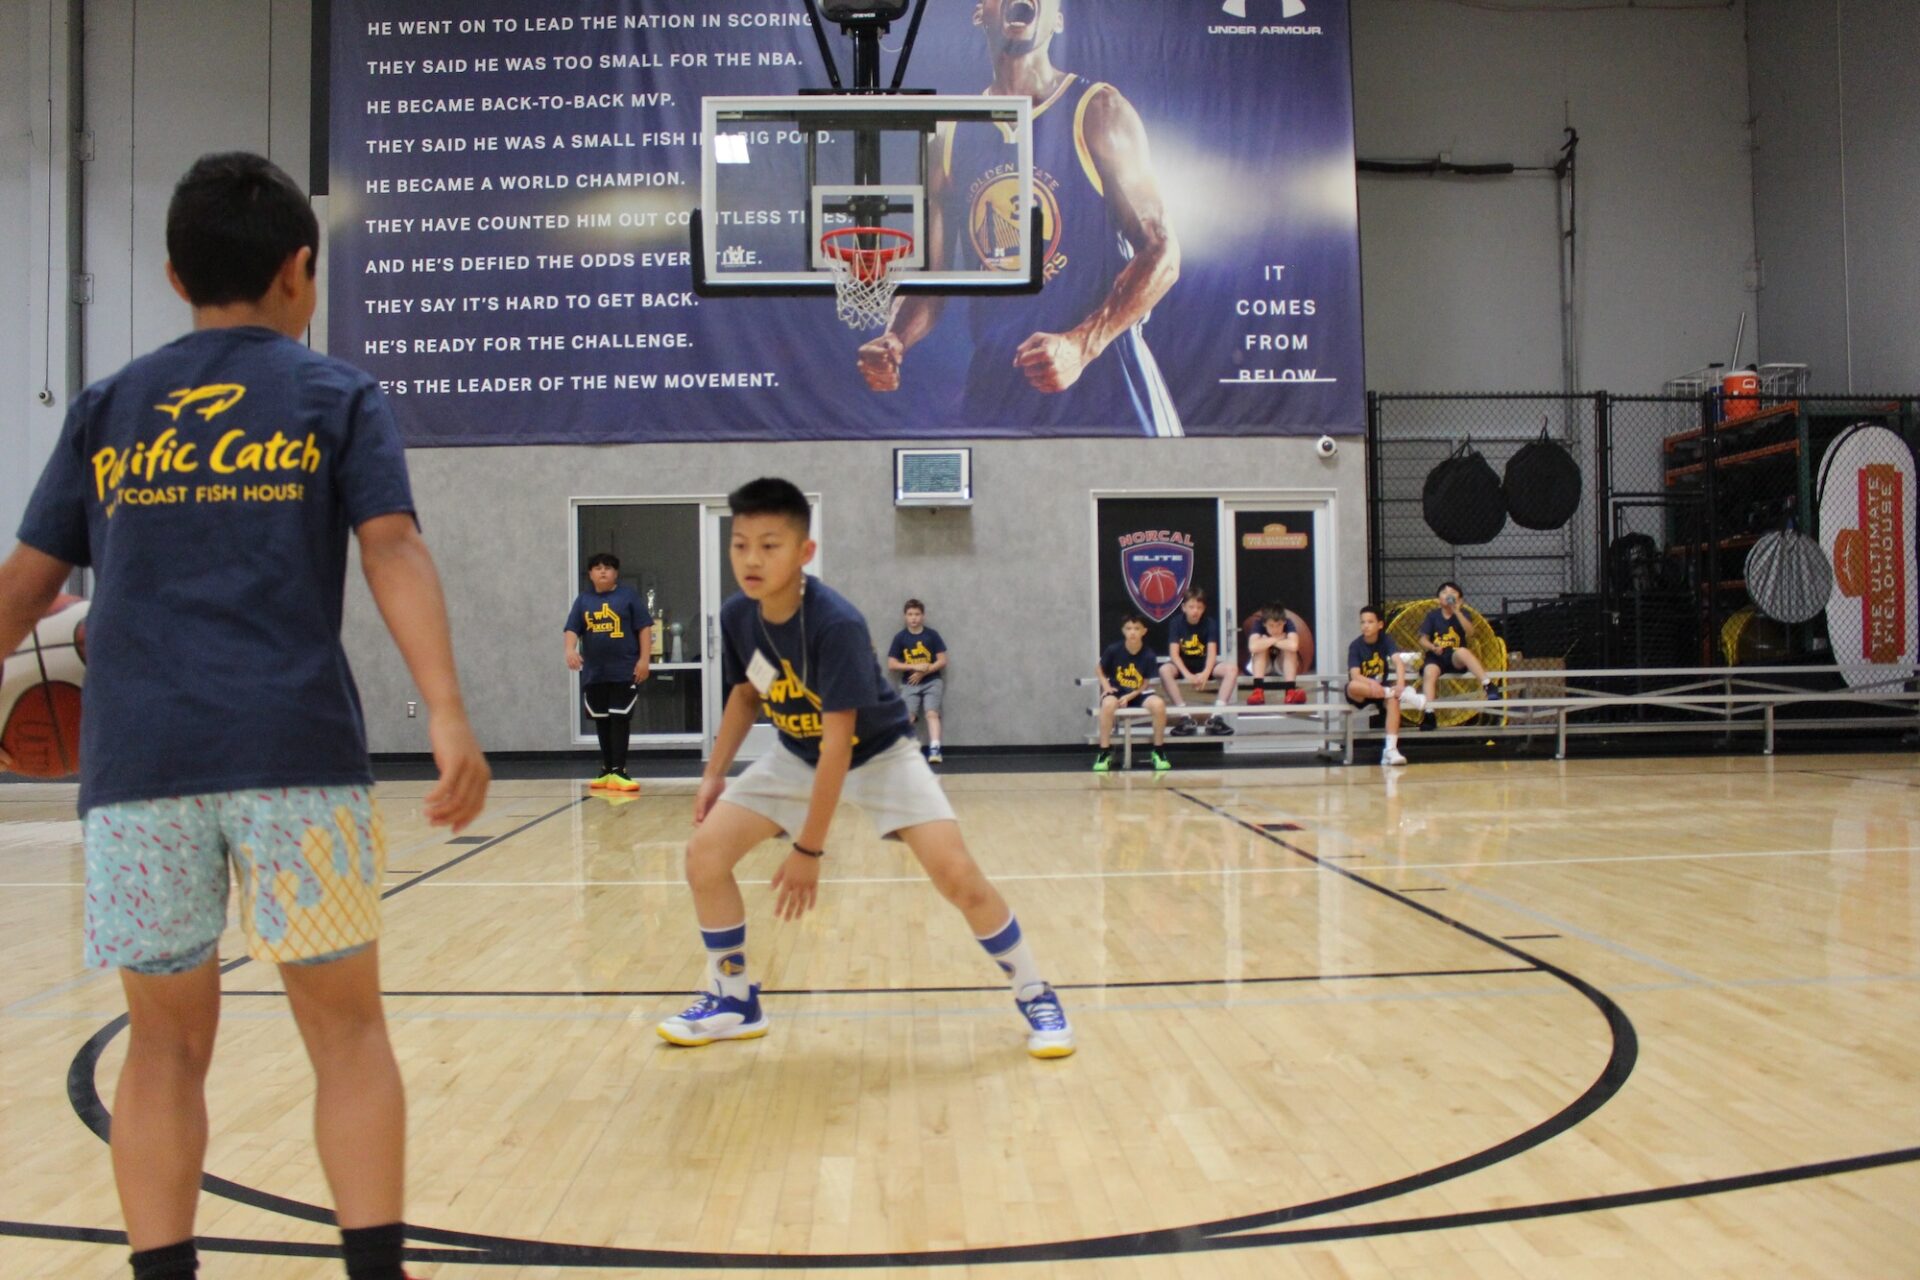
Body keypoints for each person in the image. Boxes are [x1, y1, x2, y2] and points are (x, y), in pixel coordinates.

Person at [0, 152, 489, 1280]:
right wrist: (448, 711)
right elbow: (393, 547)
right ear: (300, 269)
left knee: (162, 1046)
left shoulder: (109, 405)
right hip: (293, 754)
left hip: (139, 769)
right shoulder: (337, 395)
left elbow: (27, 582)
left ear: (175, 276)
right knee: (347, 1032)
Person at [656, 479, 1073, 1058]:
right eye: (740, 544)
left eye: (770, 546)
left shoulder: (836, 624)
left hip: (879, 755)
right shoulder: (737, 616)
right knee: (704, 856)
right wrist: (714, 773)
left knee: (958, 876)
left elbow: (840, 746)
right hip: (795, 754)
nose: (751, 560)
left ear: (804, 552)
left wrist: (808, 850)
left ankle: (1035, 991)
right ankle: (733, 998)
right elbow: (747, 695)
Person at [856, 0, 1183, 438]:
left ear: (1058, 20)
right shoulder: (949, 132)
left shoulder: (1097, 109)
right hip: (1001, 379)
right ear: (980, 13)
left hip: (1101, 373)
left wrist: (1081, 345)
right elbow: (930, 281)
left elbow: (1163, 252)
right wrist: (895, 338)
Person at [563, 552, 652, 791]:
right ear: (590, 574)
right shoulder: (583, 600)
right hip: (595, 672)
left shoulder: (628, 597)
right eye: (598, 567)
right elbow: (572, 628)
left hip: (624, 670)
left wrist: (644, 660)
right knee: (601, 719)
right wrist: (570, 650)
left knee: (619, 718)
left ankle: (620, 770)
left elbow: (644, 628)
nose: (603, 571)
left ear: (616, 573)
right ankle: (607, 769)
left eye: (608, 567)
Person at [1347, 603, 1426, 767]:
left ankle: (1390, 749)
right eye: (1363, 622)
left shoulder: (1386, 640)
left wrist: (1400, 685)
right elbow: (1355, 675)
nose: (1365, 626)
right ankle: (1401, 694)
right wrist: (1373, 684)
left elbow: (1398, 663)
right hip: (1364, 689)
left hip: (1381, 691)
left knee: (1393, 701)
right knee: (1352, 686)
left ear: (1380, 624)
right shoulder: (1355, 646)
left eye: (1370, 622)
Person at [1094, 612, 1170, 773]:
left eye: (1136, 628)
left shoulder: (1148, 654)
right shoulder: (1113, 650)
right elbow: (1099, 669)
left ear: (1144, 631)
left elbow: (1145, 682)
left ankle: (1158, 751)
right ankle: (1104, 752)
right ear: (1123, 631)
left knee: (1159, 705)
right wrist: (1106, 687)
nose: (1132, 632)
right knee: (1107, 705)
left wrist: (1130, 696)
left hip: (1138, 692)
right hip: (1117, 691)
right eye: (1128, 628)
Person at [1417, 581, 1501, 726]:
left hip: (1454, 657)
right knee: (1429, 672)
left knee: (1463, 651)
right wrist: (1432, 647)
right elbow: (1422, 639)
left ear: (1460, 600)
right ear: (1438, 599)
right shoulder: (1432, 616)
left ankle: (1488, 685)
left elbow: (1471, 632)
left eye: (1452, 592)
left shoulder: (1463, 614)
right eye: (1444, 592)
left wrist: (1457, 611)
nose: (1448, 595)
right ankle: (1429, 713)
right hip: (1436, 656)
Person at [1159, 588, 1237, 736]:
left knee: (1231, 669)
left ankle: (1216, 717)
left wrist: (1206, 673)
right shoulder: (1176, 623)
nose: (1195, 611)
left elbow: (1212, 652)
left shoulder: (1209, 623)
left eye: (1199, 607)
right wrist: (1187, 675)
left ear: (1204, 609)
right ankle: (1184, 717)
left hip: (1204, 663)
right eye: (1191, 607)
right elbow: (1174, 654)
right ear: (1184, 607)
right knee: (1164, 670)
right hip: (1183, 664)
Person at [886, 598, 949, 764]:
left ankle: (935, 749)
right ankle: (905, 751)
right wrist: (913, 666)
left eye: (917, 614)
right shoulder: (900, 637)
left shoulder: (932, 635)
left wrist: (924, 671)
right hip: (909, 683)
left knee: (932, 713)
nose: (913, 618)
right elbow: (892, 664)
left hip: (932, 681)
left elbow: (942, 660)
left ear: (923, 616)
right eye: (910, 614)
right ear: (905, 616)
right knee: (908, 716)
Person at [1244, 603, 1308, 706]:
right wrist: (1276, 639)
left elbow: (1294, 646)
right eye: (1271, 625)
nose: (1275, 629)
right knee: (1260, 649)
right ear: (1264, 624)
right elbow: (1253, 647)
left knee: (1290, 651)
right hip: (1264, 665)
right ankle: (1258, 691)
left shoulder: (1289, 623)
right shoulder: (1258, 623)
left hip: (1281, 665)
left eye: (1279, 625)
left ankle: (1290, 691)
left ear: (1284, 622)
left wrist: (1268, 641)